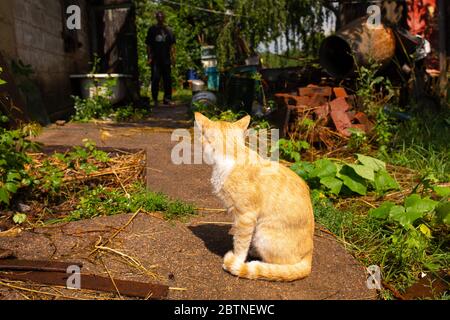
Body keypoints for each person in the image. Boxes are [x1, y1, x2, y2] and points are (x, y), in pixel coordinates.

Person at [146, 11, 176, 107]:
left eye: (161, 17)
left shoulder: (169, 30)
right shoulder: (152, 30)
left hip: (166, 59)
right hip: (155, 60)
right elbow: (148, 45)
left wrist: (173, 58)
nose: (160, 18)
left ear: (164, 18)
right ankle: (155, 99)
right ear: (156, 18)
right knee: (155, 79)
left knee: (167, 79)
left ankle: (167, 99)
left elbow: (172, 46)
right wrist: (149, 57)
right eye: (158, 17)